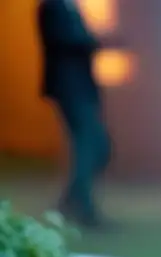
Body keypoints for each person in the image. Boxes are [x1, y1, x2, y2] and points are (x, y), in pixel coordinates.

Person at [37, 0, 113, 227]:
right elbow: (65, 41)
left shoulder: (69, 6)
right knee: (87, 147)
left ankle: (70, 202)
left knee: (97, 147)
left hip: (82, 86)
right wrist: (94, 41)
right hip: (69, 87)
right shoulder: (52, 6)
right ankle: (83, 209)